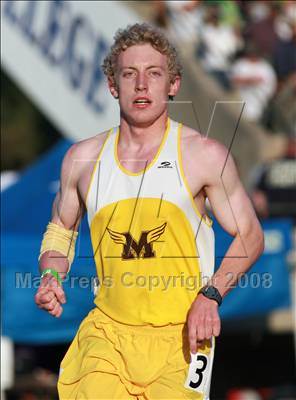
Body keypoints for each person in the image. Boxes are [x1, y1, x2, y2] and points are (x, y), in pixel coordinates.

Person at [35, 23, 264, 399]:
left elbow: (250, 235)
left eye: (153, 74)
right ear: (113, 86)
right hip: (107, 334)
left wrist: (211, 296)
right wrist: (49, 276)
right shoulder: (82, 159)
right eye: (129, 74)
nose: (141, 85)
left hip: (184, 337)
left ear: (172, 85)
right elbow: (61, 230)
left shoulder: (203, 155)